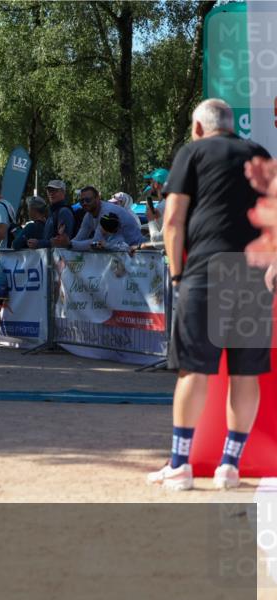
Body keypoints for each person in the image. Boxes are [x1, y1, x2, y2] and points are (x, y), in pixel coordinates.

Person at [147, 98, 272, 491]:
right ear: (231, 126)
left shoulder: (192, 152)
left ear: (199, 128)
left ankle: (181, 465)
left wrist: (177, 274)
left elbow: (172, 220)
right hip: (254, 273)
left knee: (193, 369)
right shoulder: (259, 154)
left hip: (206, 270)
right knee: (245, 372)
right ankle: (229, 467)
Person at [68, 186, 143, 251]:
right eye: (81, 201)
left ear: (97, 198)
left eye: (88, 200)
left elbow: (96, 242)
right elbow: (79, 238)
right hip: (120, 252)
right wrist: (65, 243)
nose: (84, 203)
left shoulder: (107, 212)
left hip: (136, 253)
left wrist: (69, 244)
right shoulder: (89, 215)